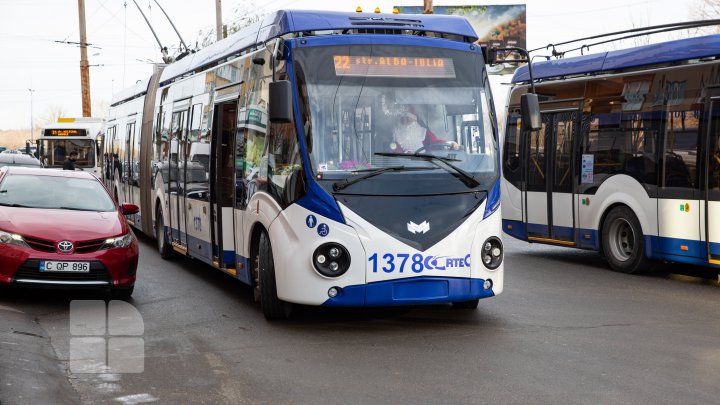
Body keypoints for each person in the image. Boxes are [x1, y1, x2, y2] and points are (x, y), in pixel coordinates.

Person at [390, 109, 458, 153]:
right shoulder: (396, 136)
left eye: (409, 119)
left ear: (414, 121)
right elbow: (393, 150)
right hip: (403, 168)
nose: (406, 122)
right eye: (404, 120)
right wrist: (405, 153)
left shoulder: (423, 133)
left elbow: (436, 143)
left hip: (423, 166)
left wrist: (450, 143)